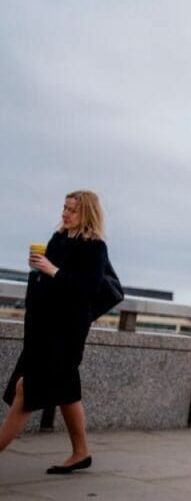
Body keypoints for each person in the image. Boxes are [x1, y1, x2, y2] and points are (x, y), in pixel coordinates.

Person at [1, 191, 110, 474]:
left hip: (66, 333)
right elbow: (48, 282)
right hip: (42, 328)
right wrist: (38, 269)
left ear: (86, 214)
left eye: (72, 210)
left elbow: (88, 289)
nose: (65, 213)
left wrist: (53, 270)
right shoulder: (57, 239)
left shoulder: (95, 247)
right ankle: (81, 452)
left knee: (27, 390)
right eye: (64, 207)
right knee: (67, 390)